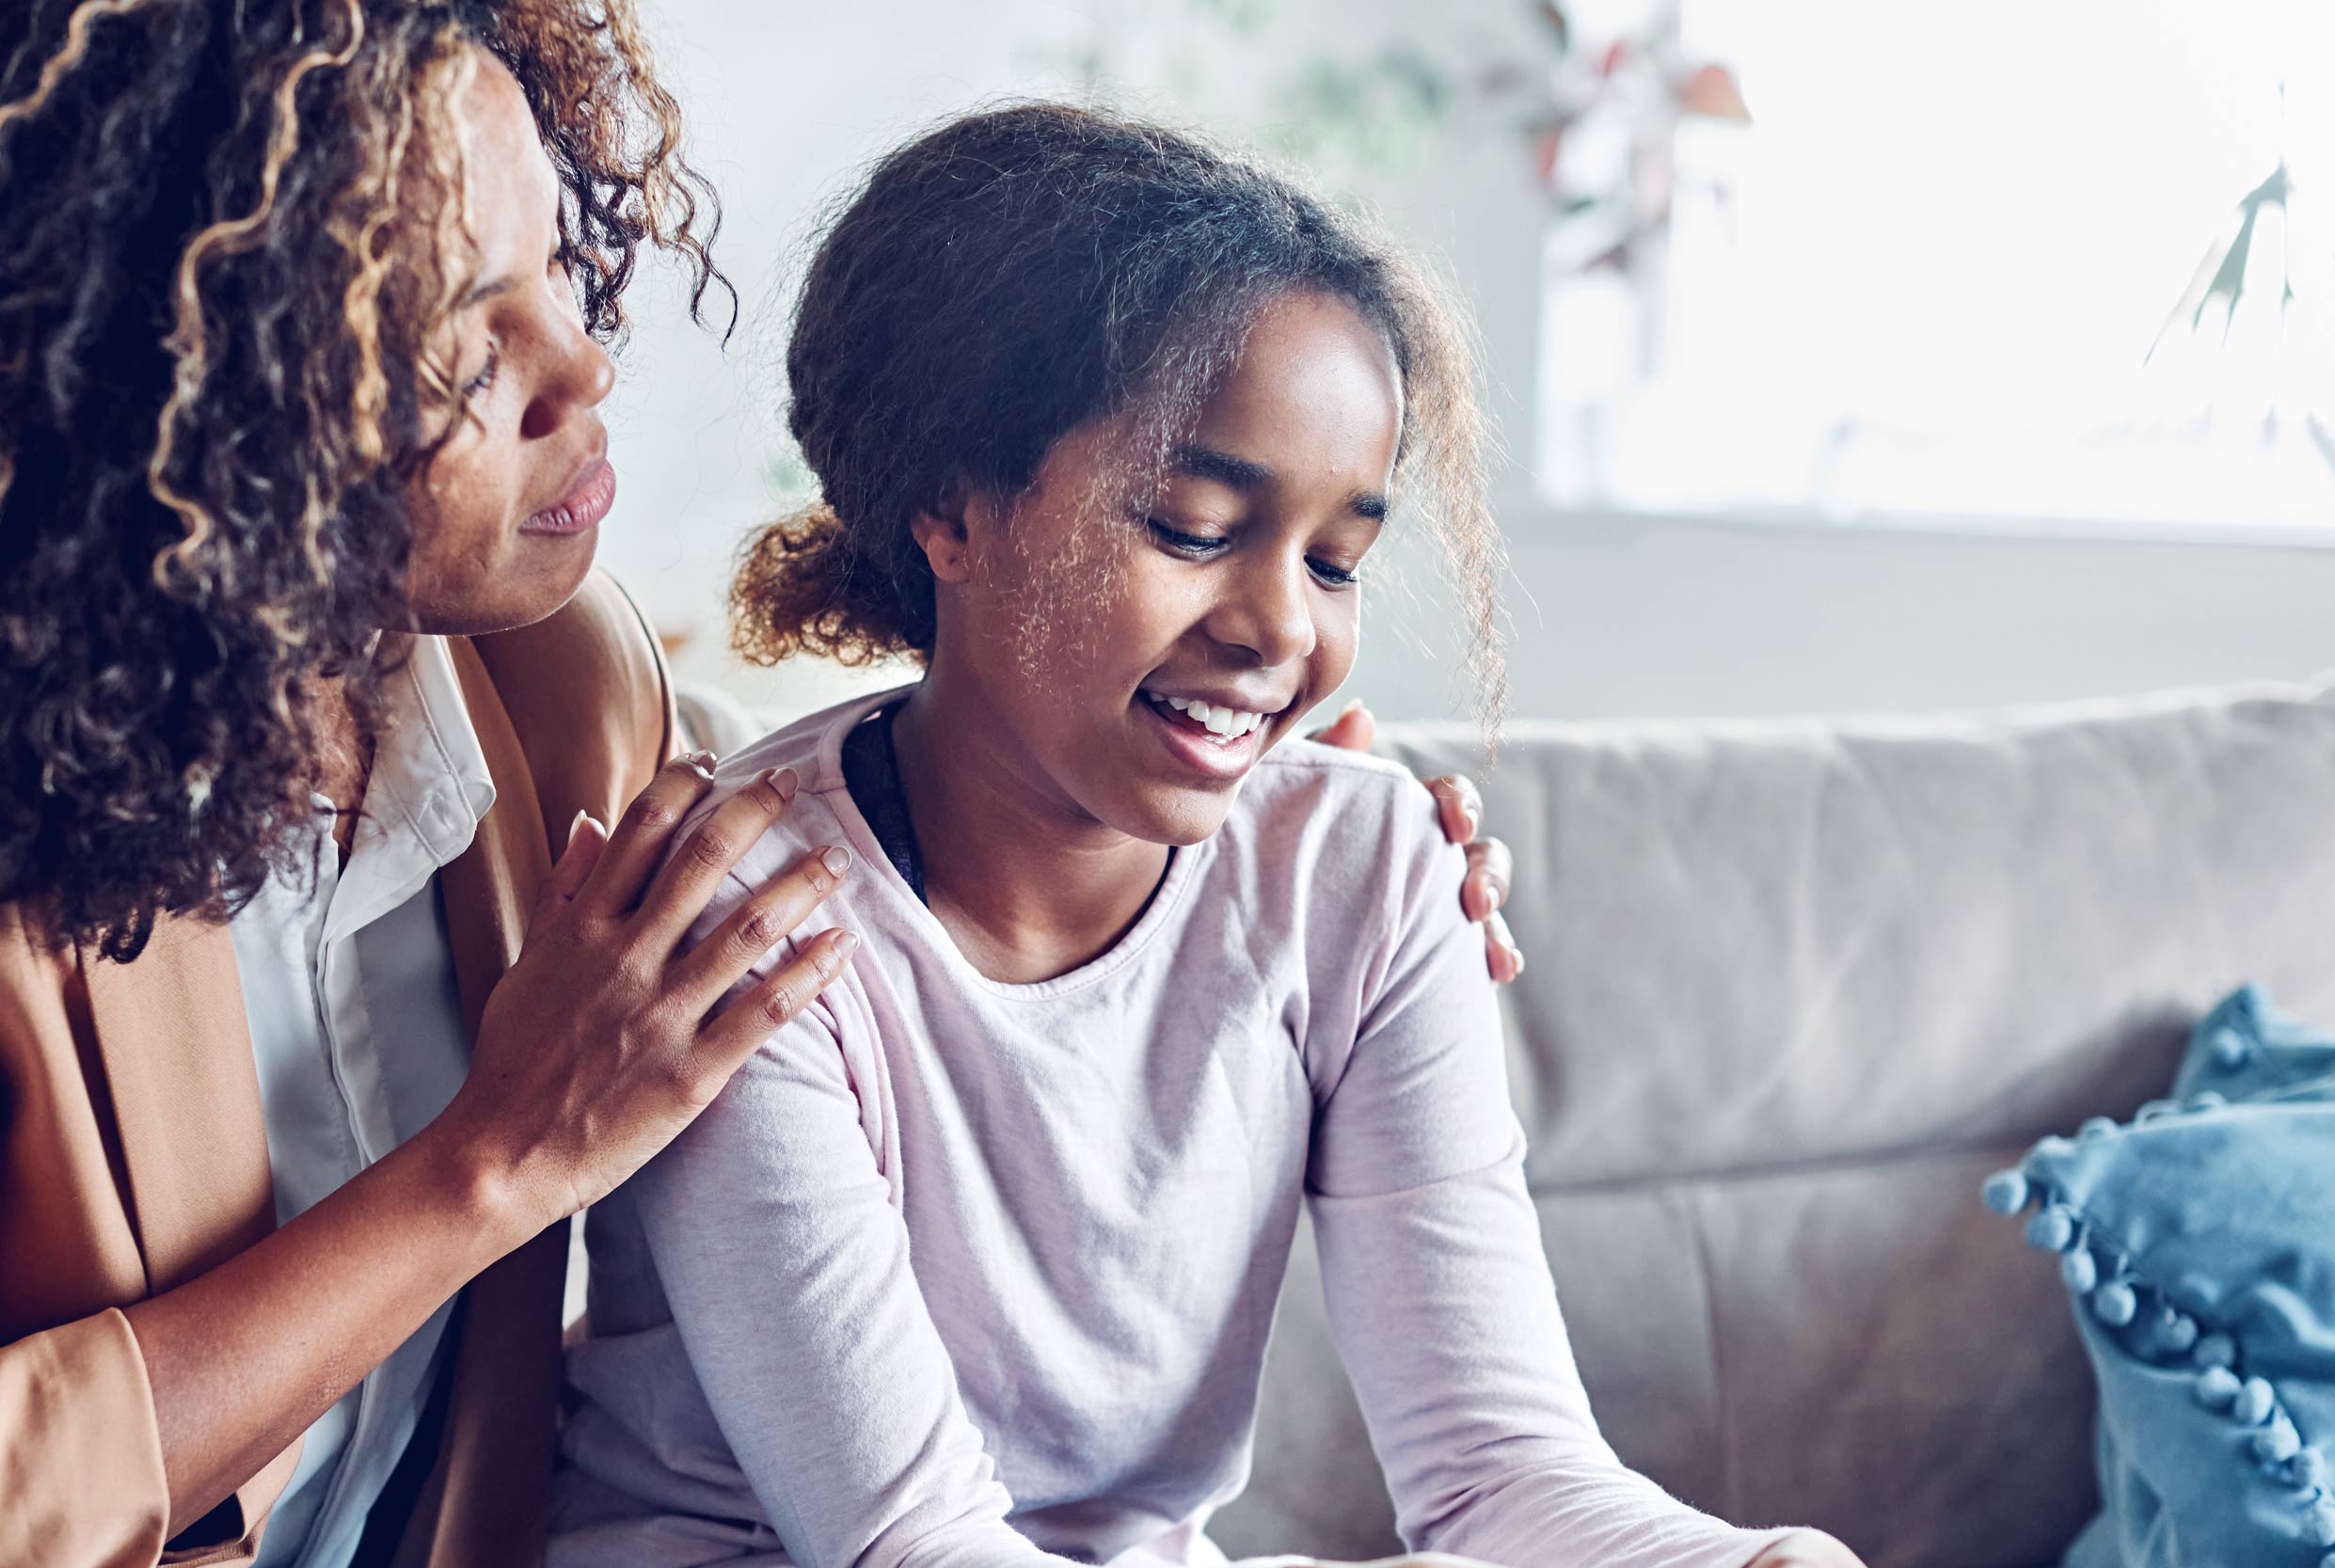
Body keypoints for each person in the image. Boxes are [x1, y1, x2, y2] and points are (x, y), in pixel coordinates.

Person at [0, 12, 1515, 1566]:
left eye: (559, 279)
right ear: (169, 393)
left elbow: (900, 791)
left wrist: (1276, 784)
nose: (583, 366)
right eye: (468, 337)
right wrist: (494, 1159)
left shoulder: (556, 689)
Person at [552, 104, 1863, 1568]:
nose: (1281, 629)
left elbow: (1499, 1480)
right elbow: (908, 1544)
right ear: (949, 506)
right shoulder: (748, 924)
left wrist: (1755, 1560)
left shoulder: (1360, 874)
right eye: (1189, 527)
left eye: (1336, 559)